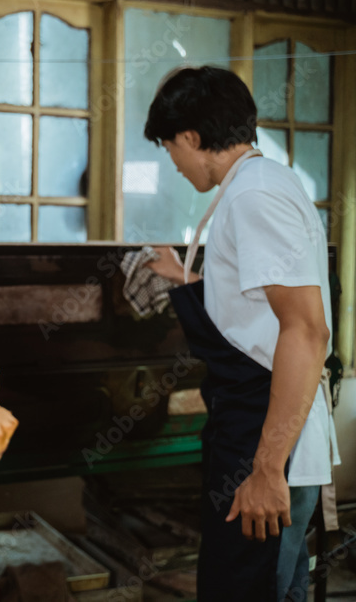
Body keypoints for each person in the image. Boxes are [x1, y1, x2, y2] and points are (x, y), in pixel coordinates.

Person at [143, 66, 339, 602]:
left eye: (169, 149)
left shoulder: (254, 196)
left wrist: (268, 470)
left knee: (251, 590)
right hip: (248, 423)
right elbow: (260, 305)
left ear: (191, 137)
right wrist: (185, 279)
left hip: (268, 435)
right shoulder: (258, 184)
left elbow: (306, 328)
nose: (175, 166)